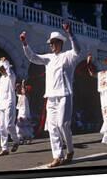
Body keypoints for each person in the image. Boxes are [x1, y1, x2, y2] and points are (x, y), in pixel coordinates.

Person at [20, 22, 81, 167]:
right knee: (52, 127)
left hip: (65, 95)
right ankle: (57, 156)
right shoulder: (48, 58)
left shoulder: (69, 56)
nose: (51, 45)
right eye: (50, 43)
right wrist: (24, 44)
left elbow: (78, 50)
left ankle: (70, 150)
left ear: (60, 43)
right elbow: (32, 57)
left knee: (63, 125)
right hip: (51, 96)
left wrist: (70, 34)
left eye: (53, 43)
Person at [15, 80, 34, 144]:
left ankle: (29, 137)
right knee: (19, 126)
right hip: (20, 113)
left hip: (25, 114)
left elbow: (23, 91)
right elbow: (17, 91)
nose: (22, 90)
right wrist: (17, 86)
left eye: (23, 89)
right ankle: (21, 138)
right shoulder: (20, 96)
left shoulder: (26, 96)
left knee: (26, 126)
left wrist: (23, 83)